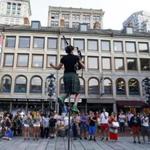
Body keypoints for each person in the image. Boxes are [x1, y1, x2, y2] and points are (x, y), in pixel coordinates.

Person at [50, 45, 85, 113]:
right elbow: (83, 66)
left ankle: (62, 97)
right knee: (77, 92)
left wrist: (52, 65)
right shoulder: (76, 57)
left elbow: (58, 68)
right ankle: (75, 106)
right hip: (73, 75)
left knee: (68, 91)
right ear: (72, 50)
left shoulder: (63, 58)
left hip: (66, 75)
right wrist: (81, 62)